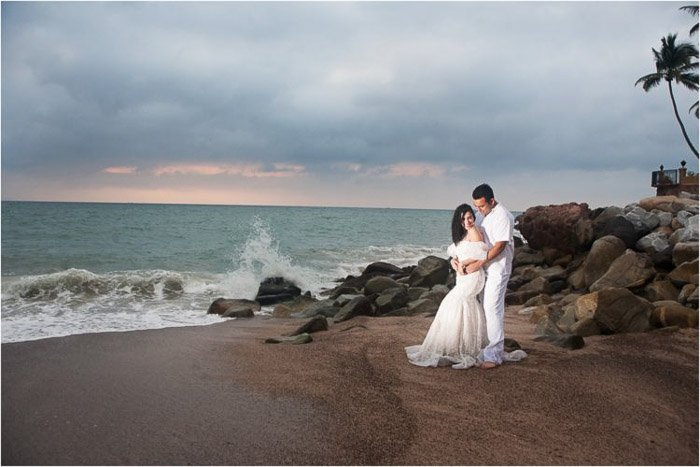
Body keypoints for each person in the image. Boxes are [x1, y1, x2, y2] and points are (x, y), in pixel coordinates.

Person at [405, 204, 490, 369]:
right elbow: (455, 254)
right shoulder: (464, 233)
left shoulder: (474, 232)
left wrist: (463, 264)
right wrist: (454, 262)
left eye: (470, 217)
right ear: (458, 220)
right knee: (462, 305)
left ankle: (465, 346)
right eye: (463, 219)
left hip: (472, 275)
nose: (467, 221)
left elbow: (480, 254)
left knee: (455, 302)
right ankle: (461, 343)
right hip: (462, 276)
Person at [461, 183, 525, 369]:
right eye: (476, 206)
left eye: (481, 206)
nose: (478, 210)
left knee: (492, 307)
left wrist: (479, 262)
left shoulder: (503, 216)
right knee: (482, 305)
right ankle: (484, 346)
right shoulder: (482, 215)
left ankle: (494, 355)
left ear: (492, 200)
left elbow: (500, 245)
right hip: (484, 268)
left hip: (499, 267)